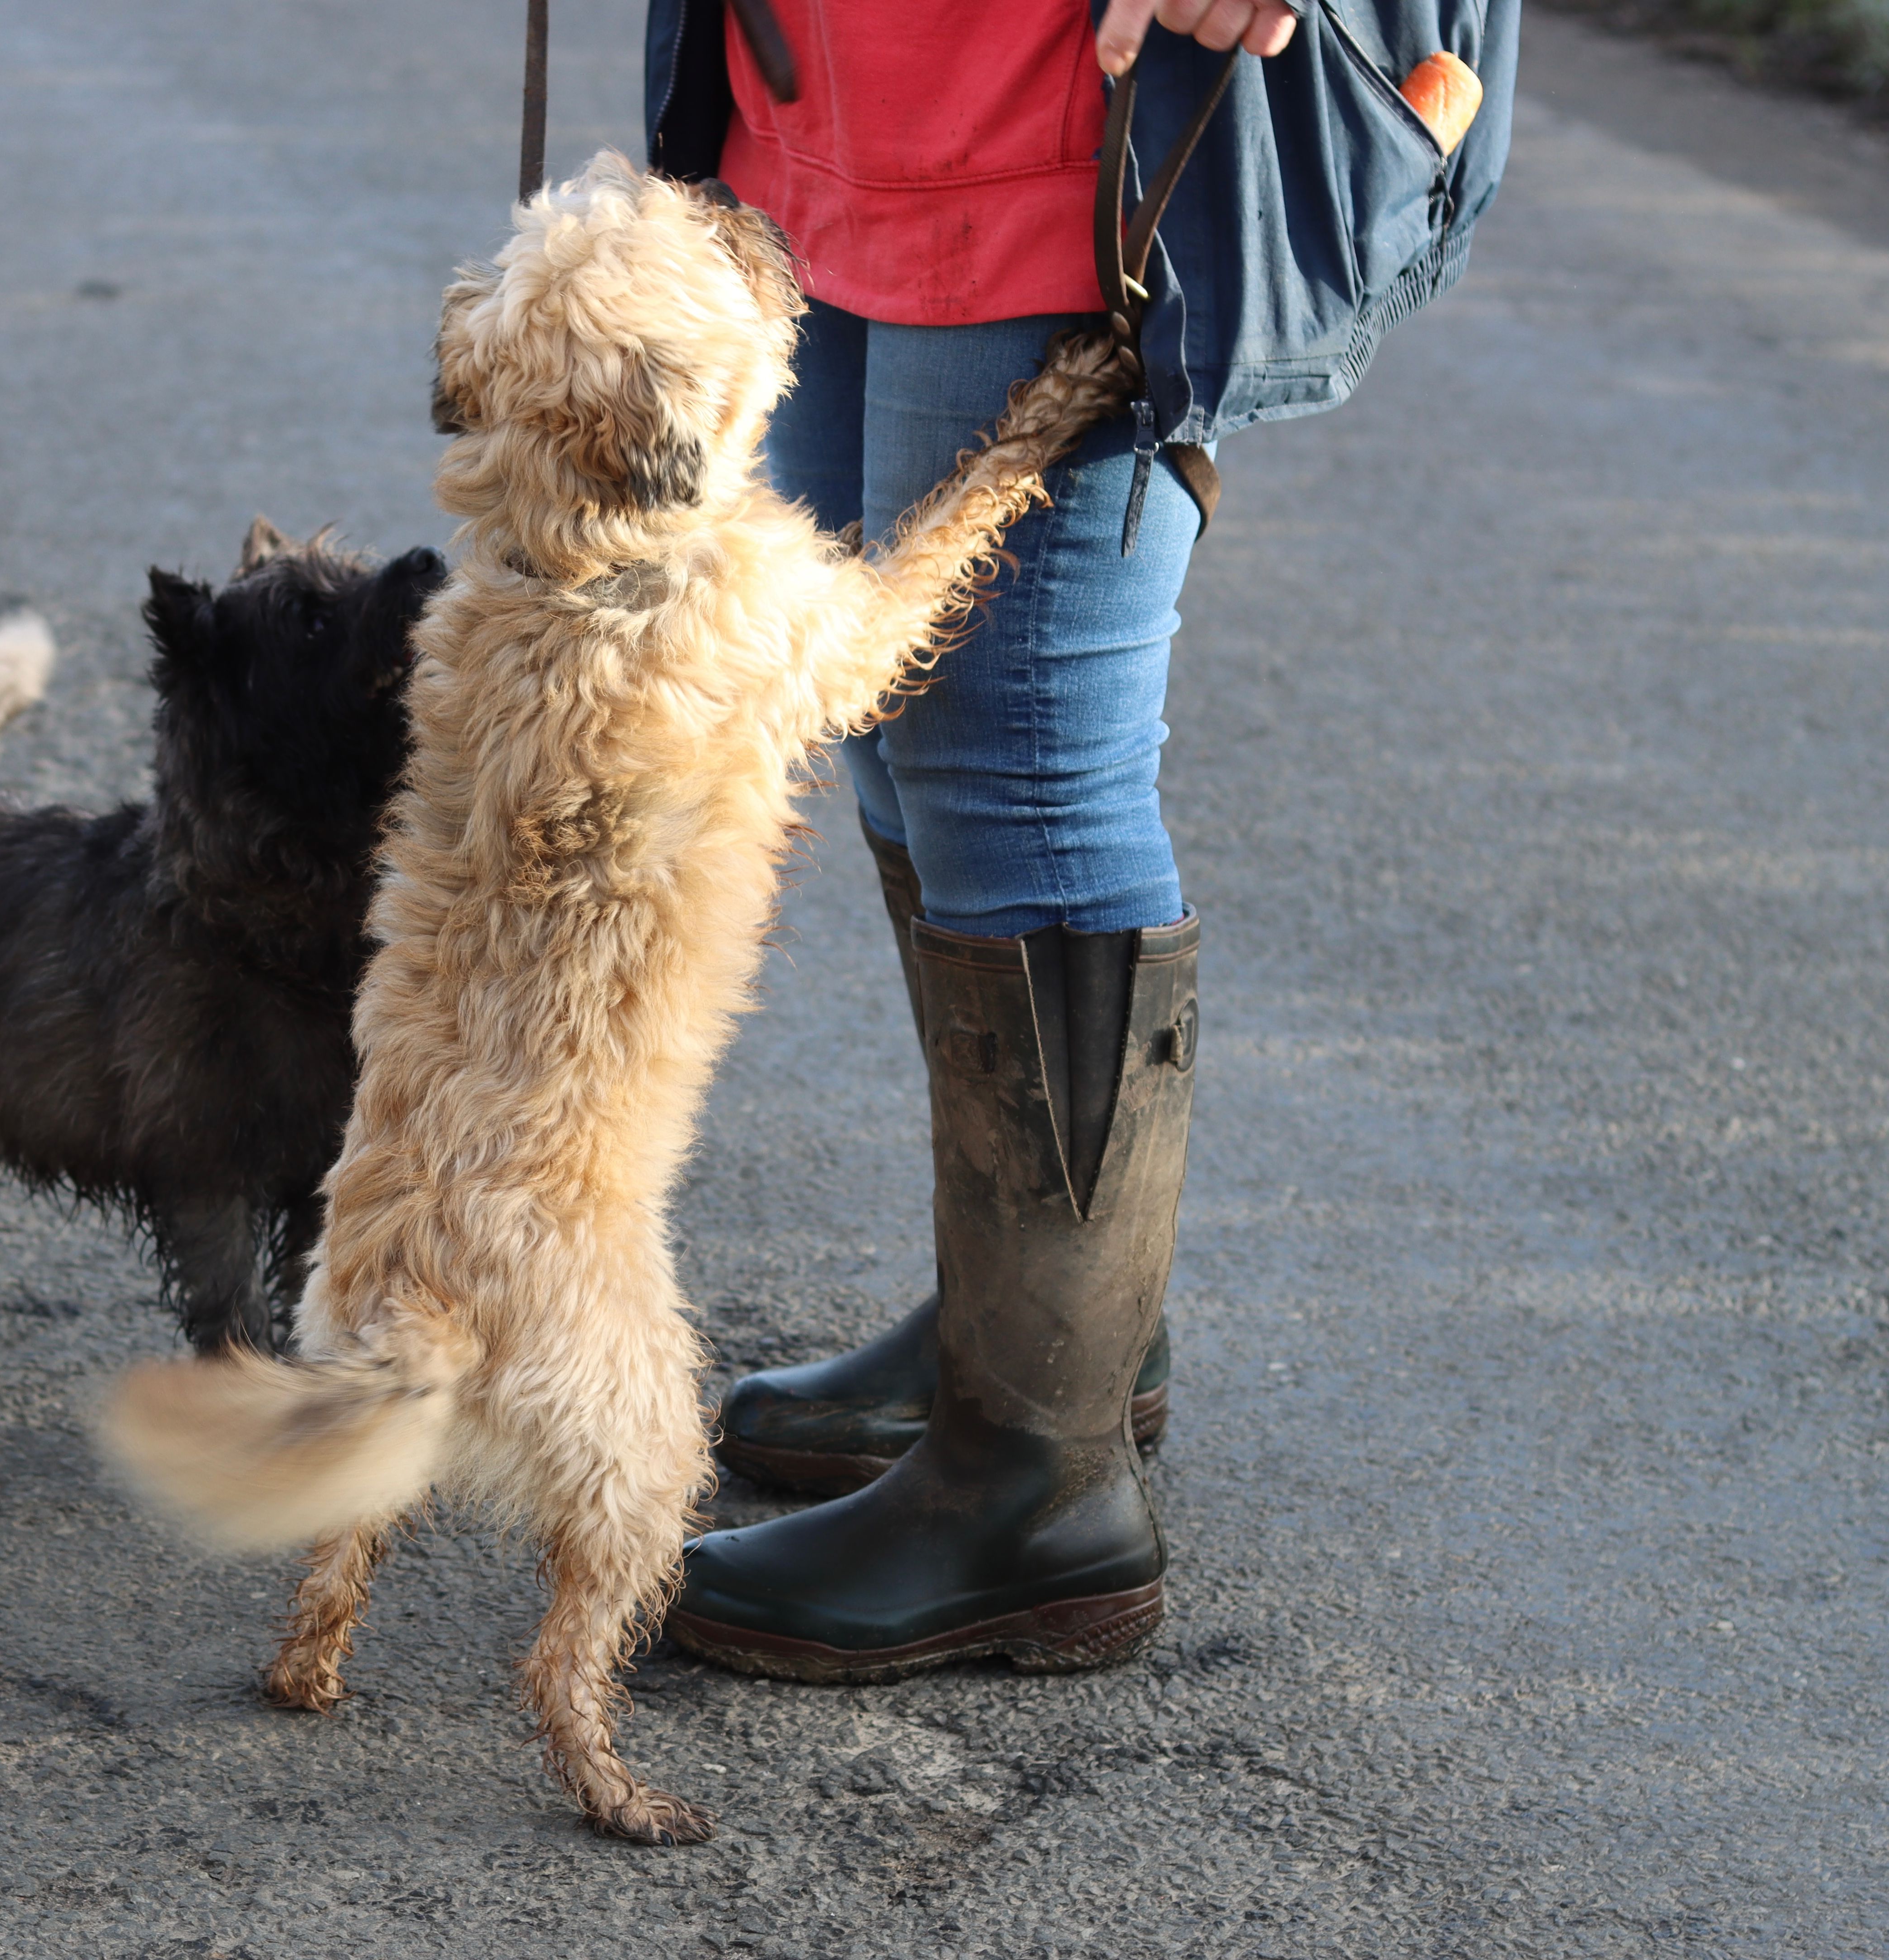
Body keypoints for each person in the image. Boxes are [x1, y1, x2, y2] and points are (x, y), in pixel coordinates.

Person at [645, 0, 1516, 1677]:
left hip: (1085, 120)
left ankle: (1039, 1489)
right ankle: (1045, 1335)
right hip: (828, 98)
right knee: (888, 709)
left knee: (1017, 760)